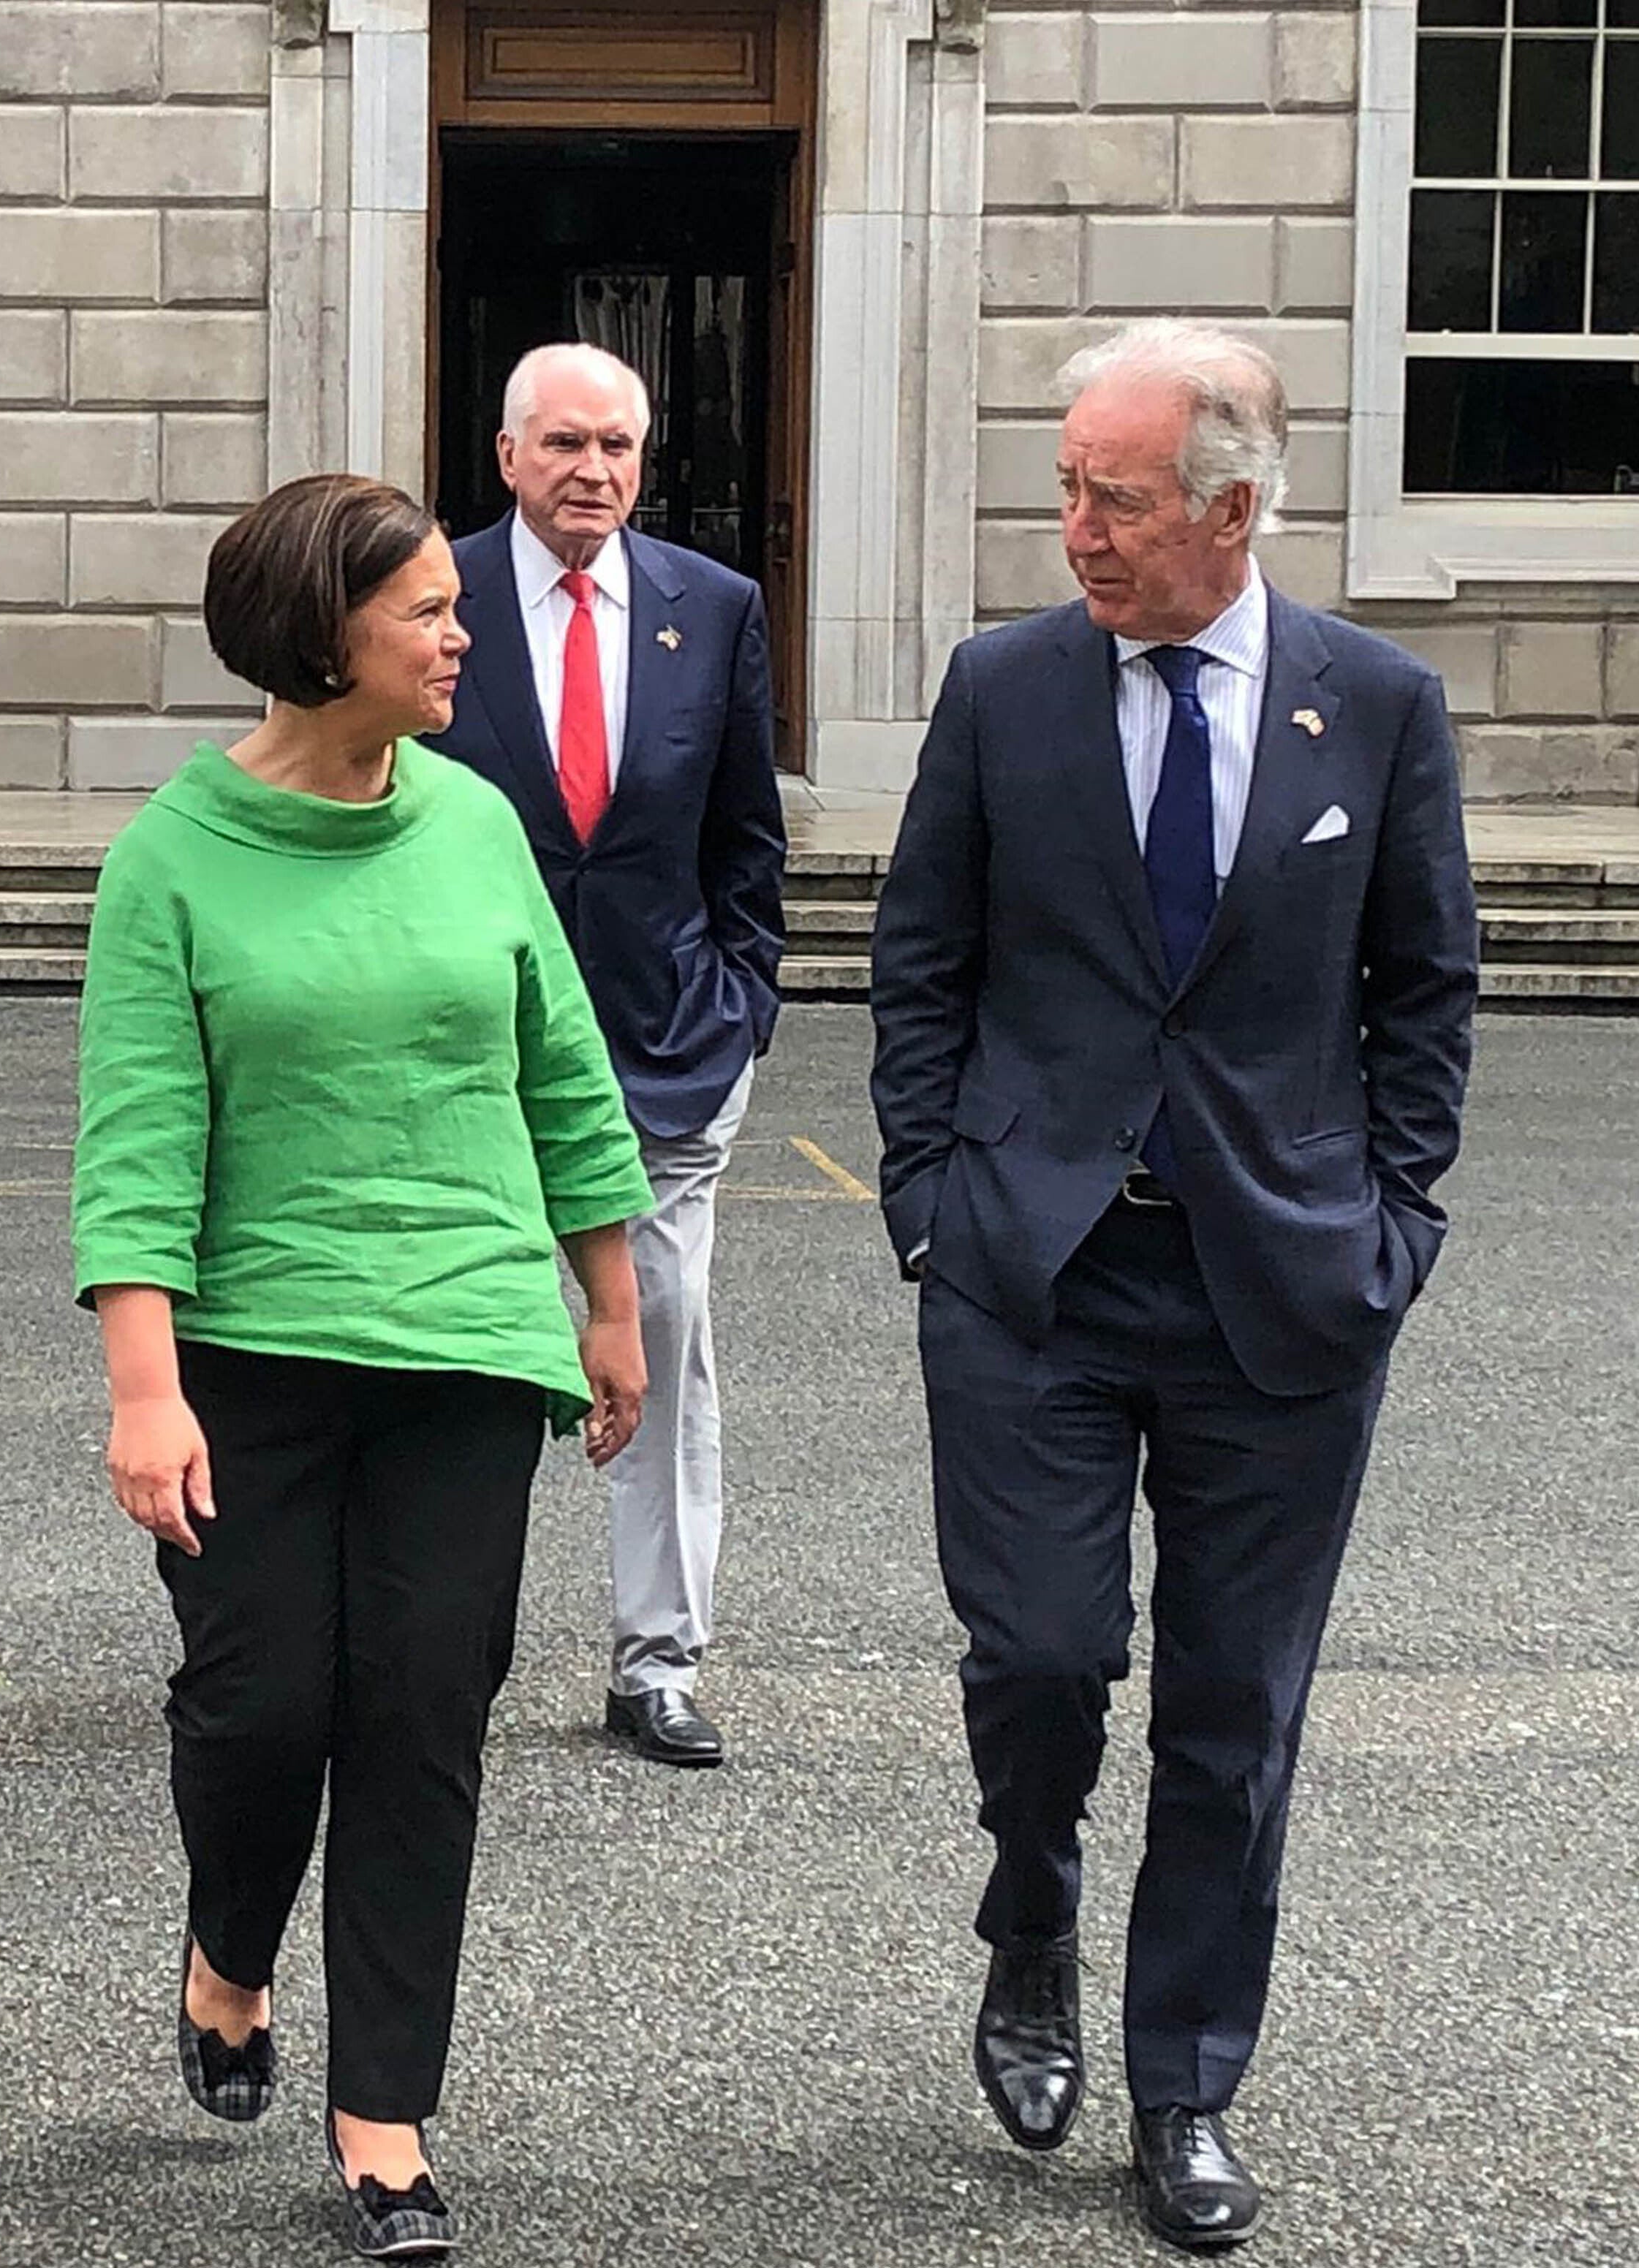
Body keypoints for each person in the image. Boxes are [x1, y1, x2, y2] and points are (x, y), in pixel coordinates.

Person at [868, 320, 1478, 2252]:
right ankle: (1030, 1907)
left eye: (1111, 498)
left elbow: (1428, 994)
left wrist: (1387, 1234)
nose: (1076, 529)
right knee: (1045, 1654)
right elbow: (919, 964)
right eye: (1063, 488)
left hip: (1282, 1290)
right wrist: (927, 1199)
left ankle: (1185, 2072)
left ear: (1232, 510)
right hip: (1034, 1271)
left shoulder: (1370, 707)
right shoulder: (1002, 692)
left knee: (1236, 1709)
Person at [73, 472, 653, 2261]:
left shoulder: (474, 822)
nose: (460, 628)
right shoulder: (172, 852)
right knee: (263, 1709)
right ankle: (228, 1951)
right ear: (322, 637)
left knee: (417, 1711)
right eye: (423, 609)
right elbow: (139, 1141)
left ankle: (383, 2107)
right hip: (247, 1348)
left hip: (466, 1338)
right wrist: (141, 1385)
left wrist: (609, 1301)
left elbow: (560, 1069)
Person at [428, 341, 788, 1768]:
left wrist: (739, 1004)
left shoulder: (711, 609)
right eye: (564, 444)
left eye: (617, 448)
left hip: (662, 1049)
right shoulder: (431, 589)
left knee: (659, 1341)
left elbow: (743, 840)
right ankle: (443, 1650)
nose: (592, 471)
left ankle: (654, 1658)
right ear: (508, 454)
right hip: (465, 1049)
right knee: (463, 1364)